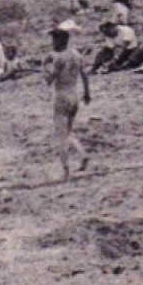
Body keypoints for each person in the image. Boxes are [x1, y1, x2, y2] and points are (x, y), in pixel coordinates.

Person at [42, 23, 91, 181]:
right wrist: (87, 93)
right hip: (74, 94)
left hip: (61, 96)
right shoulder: (76, 55)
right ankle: (82, 154)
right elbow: (84, 75)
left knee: (61, 135)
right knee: (68, 131)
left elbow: (49, 79)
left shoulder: (59, 58)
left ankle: (65, 170)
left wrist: (44, 66)